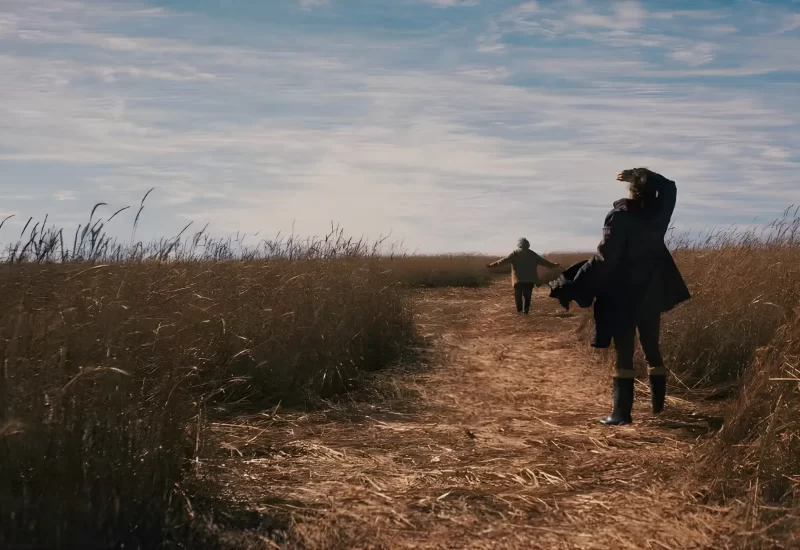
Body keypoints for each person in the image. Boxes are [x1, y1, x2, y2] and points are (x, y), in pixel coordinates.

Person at [549, 168, 690, 425]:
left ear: (630, 190)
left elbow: (605, 260)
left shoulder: (619, 216)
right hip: (650, 291)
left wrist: (575, 282)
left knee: (624, 353)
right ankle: (657, 409)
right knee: (652, 349)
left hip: (622, 292)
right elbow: (670, 186)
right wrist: (641, 173)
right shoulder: (657, 214)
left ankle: (621, 414)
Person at [487, 238, 560, 314]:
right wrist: (554, 265)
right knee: (527, 296)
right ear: (528, 245)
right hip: (530, 280)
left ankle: (519, 312)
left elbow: (504, 261)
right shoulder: (532, 254)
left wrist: (492, 265)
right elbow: (544, 262)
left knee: (518, 296)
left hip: (518, 280)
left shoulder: (515, 253)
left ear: (519, 244)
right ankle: (525, 312)